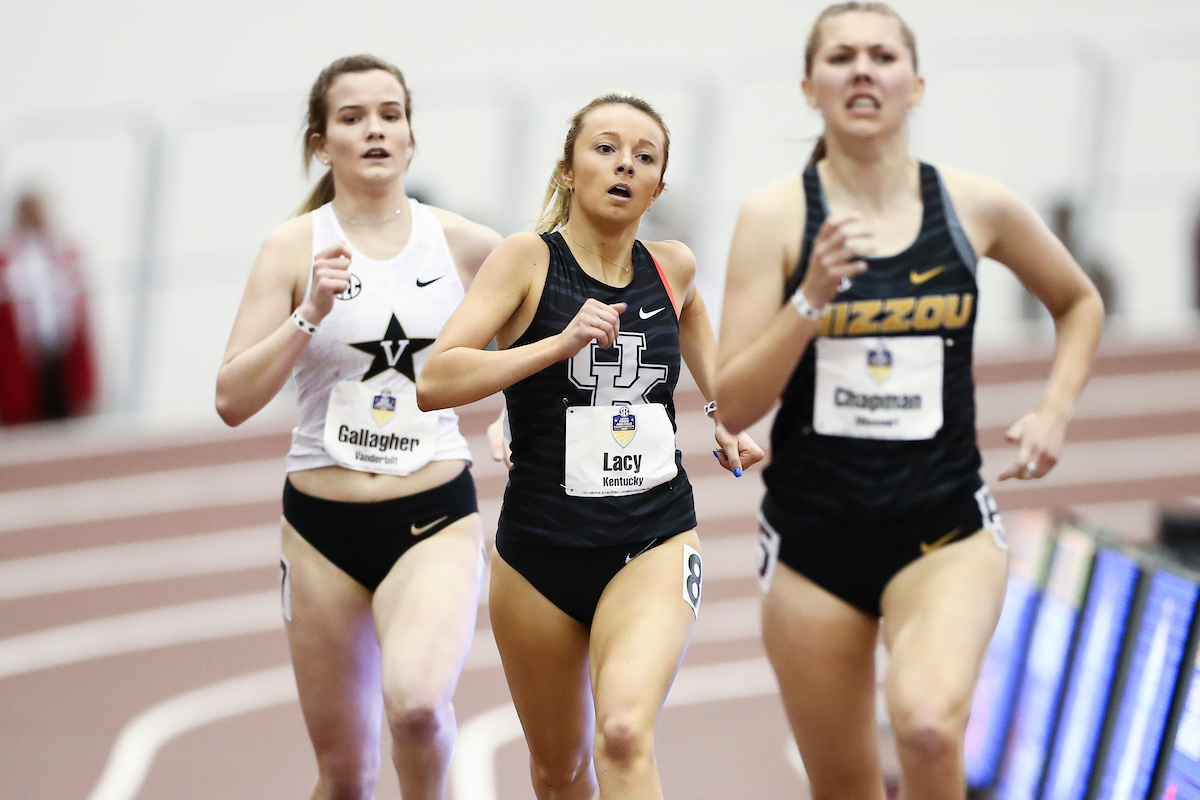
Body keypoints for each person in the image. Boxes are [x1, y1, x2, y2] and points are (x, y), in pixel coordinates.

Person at [714, 4, 1104, 798]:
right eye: (842, 57)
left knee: (927, 726)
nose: (863, 69)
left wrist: (1054, 406)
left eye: (883, 56)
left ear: (916, 84)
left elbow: (1079, 300)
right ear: (808, 86)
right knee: (845, 786)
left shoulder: (975, 205)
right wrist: (810, 300)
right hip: (813, 544)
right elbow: (733, 403)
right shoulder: (776, 217)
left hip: (944, 528)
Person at [417, 93, 762, 799]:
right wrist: (557, 344)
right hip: (539, 554)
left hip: (654, 537)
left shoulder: (673, 266)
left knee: (624, 737)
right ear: (569, 170)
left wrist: (723, 408)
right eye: (605, 148)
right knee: (558, 771)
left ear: (659, 186)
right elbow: (436, 378)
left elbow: (691, 313)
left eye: (644, 156)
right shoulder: (524, 262)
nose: (624, 165)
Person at [214, 54, 500, 800]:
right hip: (319, 531)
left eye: (390, 113)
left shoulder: (467, 245)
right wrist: (307, 313)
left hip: (432, 512)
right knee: (343, 777)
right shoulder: (290, 247)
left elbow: (547, 338)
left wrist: (511, 419)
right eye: (352, 117)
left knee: (414, 705)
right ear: (321, 143)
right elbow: (232, 399)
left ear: (410, 136)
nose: (374, 129)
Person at [0, 190, 97, 423]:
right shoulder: (9, 257)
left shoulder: (63, 252)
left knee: (65, 414)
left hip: (60, 352)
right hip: (25, 359)